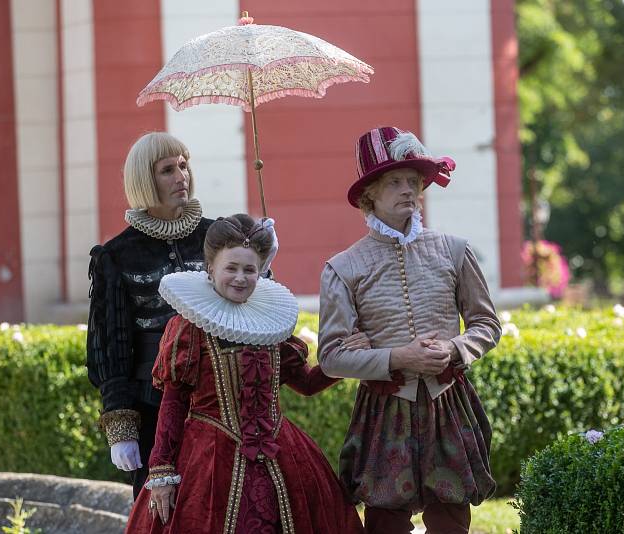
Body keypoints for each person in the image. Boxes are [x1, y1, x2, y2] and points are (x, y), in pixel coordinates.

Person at [125, 214, 365, 534]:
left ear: (260, 271)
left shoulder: (271, 327)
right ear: (210, 269)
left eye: (249, 269)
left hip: (282, 454)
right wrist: (162, 471)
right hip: (209, 465)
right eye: (231, 268)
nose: (240, 277)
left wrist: (346, 359)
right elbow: (173, 404)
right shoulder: (189, 329)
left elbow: (305, 383)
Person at [317, 126, 502, 534]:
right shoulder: (343, 268)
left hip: (447, 398)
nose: (408, 190)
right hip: (386, 406)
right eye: (394, 181)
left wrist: (454, 350)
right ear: (370, 194)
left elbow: (487, 325)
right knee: (386, 516)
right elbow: (330, 357)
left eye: (413, 181)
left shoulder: (455, 250)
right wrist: (398, 357)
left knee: (451, 511)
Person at [86, 132, 214, 498]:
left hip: (216, 399)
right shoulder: (117, 255)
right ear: (145, 178)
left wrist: (260, 259)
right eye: (167, 170)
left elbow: (245, 308)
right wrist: (121, 427)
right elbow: (109, 347)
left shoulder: (217, 238)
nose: (181, 176)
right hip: (152, 407)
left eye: (184, 166)